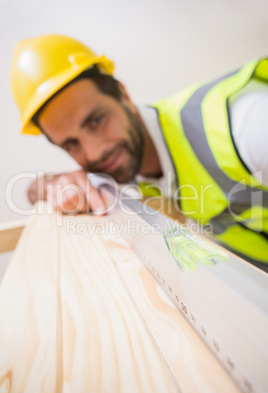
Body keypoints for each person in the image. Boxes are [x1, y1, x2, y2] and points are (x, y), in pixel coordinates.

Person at [10, 34, 268, 270]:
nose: (95, 151)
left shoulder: (249, 127)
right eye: (70, 144)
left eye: (96, 121)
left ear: (124, 96)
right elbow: (34, 189)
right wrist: (56, 184)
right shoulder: (121, 162)